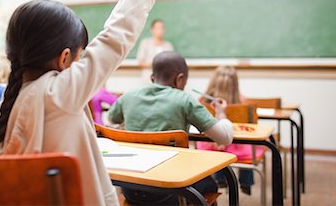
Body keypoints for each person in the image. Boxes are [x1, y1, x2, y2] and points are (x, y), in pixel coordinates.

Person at [0, 0, 159, 206]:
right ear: (64, 59)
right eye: (79, 57)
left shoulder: (11, 98)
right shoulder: (59, 92)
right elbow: (115, 37)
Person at [108, 51, 233, 205]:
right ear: (179, 79)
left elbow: (111, 119)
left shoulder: (128, 97)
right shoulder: (184, 100)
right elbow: (224, 138)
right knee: (210, 184)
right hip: (174, 190)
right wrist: (221, 114)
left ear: (152, 78)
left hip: (131, 189)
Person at [198, 66, 264, 195]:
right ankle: (246, 182)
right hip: (237, 150)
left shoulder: (202, 101)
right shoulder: (242, 102)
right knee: (246, 143)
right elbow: (249, 130)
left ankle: (220, 178)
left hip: (207, 148)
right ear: (235, 83)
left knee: (218, 144)